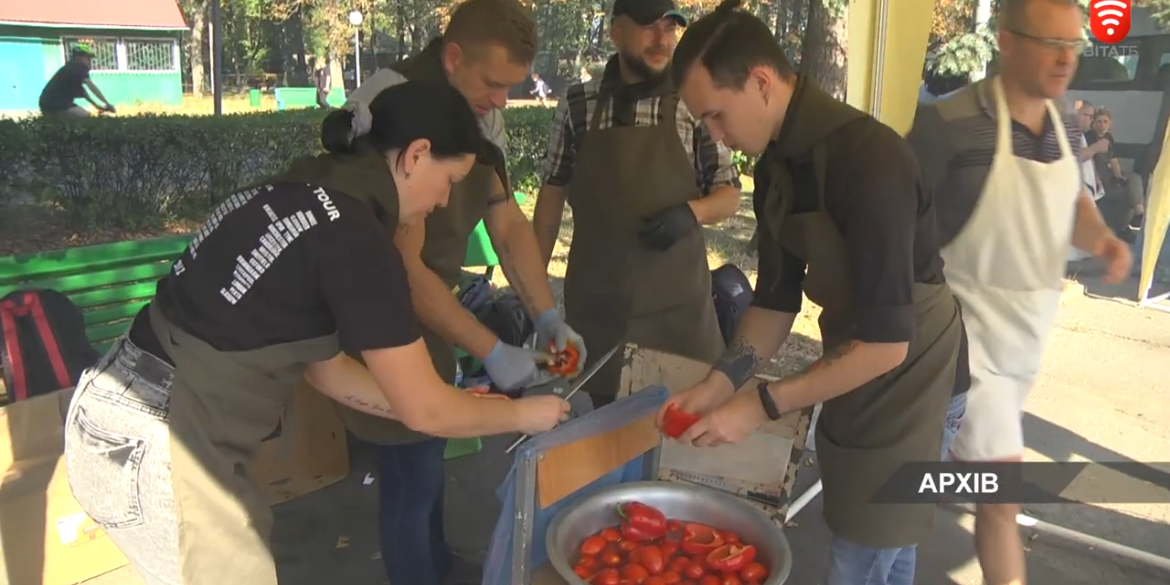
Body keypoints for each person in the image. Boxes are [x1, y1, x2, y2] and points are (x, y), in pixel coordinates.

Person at [61, 80, 570, 585]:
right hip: (161, 446)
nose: (443, 202)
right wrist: (520, 412)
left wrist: (457, 400)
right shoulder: (357, 237)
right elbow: (426, 411)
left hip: (111, 420)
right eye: (450, 180)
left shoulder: (294, 192)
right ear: (416, 155)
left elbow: (330, 373)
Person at [661, 2, 968, 585]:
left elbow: (886, 346)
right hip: (858, 363)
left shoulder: (870, 160)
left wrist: (759, 405)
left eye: (716, 116)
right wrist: (719, 382)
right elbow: (776, 303)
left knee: (861, 556)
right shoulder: (777, 167)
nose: (715, 137)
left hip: (919, 379)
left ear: (761, 82)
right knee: (883, 549)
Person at [337, 1, 586, 584]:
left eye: (511, 86)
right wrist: (493, 351)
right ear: (452, 57)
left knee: (429, 455)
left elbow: (505, 219)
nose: (501, 100)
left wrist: (545, 313)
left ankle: (437, 560)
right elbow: (398, 267)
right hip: (381, 310)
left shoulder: (478, 109)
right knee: (410, 472)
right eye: (494, 83)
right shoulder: (385, 105)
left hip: (435, 309)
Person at [905, 2, 1132, 584]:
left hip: (1025, 347)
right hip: (965, 348)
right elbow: (892, 226)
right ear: (1006, 41)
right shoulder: (950, 125)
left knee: (937, 484)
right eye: (1049, 43)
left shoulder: (1063, 123)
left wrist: (1105, 241)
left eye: (1073, 44)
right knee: (1000, 500)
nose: (1065, 59)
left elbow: (1072, 201)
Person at [531, 0, 741, 407]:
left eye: (670, 26)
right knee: (608, 435)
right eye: (648, 26)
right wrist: (533, 297)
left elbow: (729, 193)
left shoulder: (691, 103)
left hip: (678, 312)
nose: (662, 38)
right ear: (615, 33)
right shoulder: (578, 105)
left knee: (678, 439)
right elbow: (551, 199)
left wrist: (691, 213)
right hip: (599, 310)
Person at [40, 45, 115, 118]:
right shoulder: (77, 67)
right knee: (86, 118)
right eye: (87, 58)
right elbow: (91, 86)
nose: (89, 61)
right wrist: (107, 103)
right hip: (57, 103)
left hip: (47, 102)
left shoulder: (70, 69)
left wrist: (97, 106)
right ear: (78, 57)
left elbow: (83, 93)